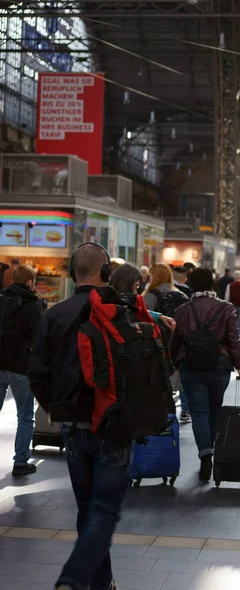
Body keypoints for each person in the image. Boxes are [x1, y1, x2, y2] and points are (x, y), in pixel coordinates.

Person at [29, 243, 130, 590]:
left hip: (73, 426)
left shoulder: (53, 315)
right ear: (106, 273)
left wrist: (58, 407)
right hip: (113, 424)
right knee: (103, 508)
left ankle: (102, 582)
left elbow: (38, 373)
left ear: (73, 275)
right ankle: (73, 579)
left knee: (88, 508)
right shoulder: (119, 312)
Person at [171, 268, 240, 481]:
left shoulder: (181, 310)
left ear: (192, 285)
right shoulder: (226, 308)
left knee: (198, 413)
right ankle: (211, 449)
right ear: (212, 284)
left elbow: (175, 341)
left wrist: (172, 365)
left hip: (191, 366)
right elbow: (234, 340)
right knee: (214, 412)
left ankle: (205, 454)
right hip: (220, 366)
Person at [0, 264, 43, 475]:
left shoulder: (1, 299)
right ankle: (20, 462)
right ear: (29, 282)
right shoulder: (34, 305)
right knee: (25, 417)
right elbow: (38, 338)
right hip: (21, 367)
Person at [144, 263, 191, 422]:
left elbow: (142, 318)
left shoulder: (151, 295)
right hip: (178, 342)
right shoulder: (181, 295)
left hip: (157, 343)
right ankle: (185, 409)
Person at [225, 270, 240, 335]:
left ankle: (233, 336)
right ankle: (239, 336)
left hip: (232, 306)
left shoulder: (229, 285)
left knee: (232, 323)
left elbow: (227, 297)